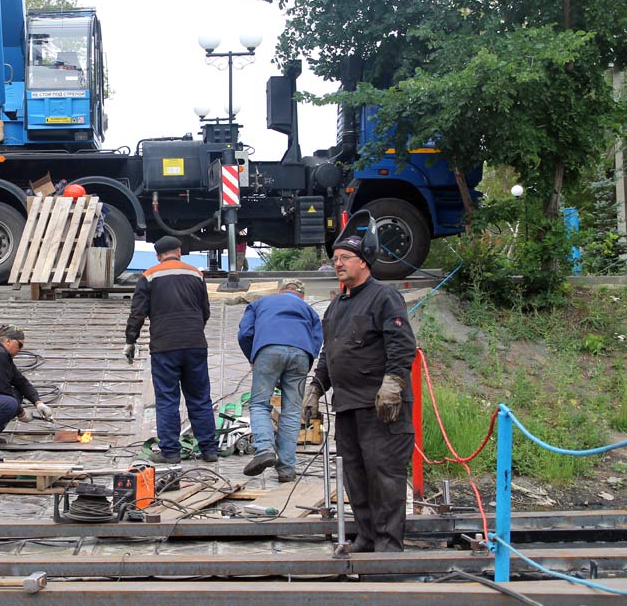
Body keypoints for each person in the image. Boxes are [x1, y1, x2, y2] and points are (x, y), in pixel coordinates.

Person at [303, 212, 417, 552]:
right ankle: (367, 536)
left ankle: (388, 543)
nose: (337, 264)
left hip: (381, 406)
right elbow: (330, 352)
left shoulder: (384, 297)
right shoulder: (337, 305)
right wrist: (316, 387)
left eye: (344, 258)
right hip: (349, 405)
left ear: (364, 262)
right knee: (356, 474)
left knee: (384, 475)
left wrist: (393, 384)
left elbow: (402, 344)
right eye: (335, 259)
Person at [124, 235, 218, 464]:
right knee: (200, 397)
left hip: (164, 346)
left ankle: (171, 452)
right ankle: (209, 450)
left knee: (167, 399)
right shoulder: (196, 274)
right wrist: (194, 331)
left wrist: (131, 340)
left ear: (158, 255)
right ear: (179, 251)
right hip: (195, 344)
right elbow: (205, 310)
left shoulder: (149, 275)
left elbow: (138, 312)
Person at [237, 278, 323, 483]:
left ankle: (265, 449)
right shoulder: (308, 310)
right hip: (302, 354)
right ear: (301, 295)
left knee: (259, 404)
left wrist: (253, 357)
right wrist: (304, 364)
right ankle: (286, 469)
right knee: (292, 411)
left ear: (281, 291)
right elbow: (317, 340)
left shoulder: (260, 303)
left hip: (268, 350)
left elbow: (245, 333)